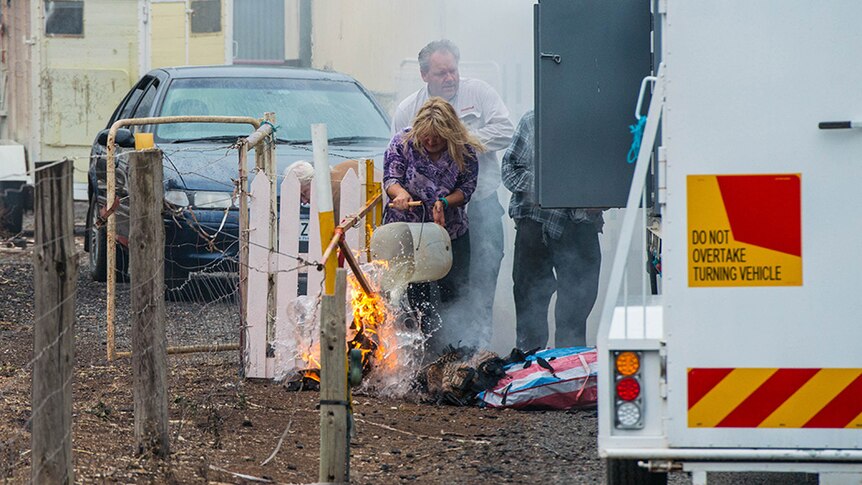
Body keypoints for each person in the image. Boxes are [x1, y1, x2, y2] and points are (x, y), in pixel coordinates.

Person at [392, 39, 514, 347]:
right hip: (425, 215)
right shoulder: (407, 110)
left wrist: (460, 139)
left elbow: (505, 131)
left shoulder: (480, 93)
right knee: (430, 282)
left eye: (453, 71)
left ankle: (477, 347)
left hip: (480, 202)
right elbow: (396, 159)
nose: (450, 78)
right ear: (424, 76)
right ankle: (438, 348)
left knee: (482, 276)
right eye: (441, 73)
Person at [384, 97, 483, 354]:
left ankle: (454, 350)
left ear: (449, 133)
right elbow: (391, 178)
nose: (430, 142)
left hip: (449, 233)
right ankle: (420, 351)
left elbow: (466, 189)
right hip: (410, 232)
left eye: (437, 138)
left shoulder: (464, 150)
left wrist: (444, 203)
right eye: (426, 137)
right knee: (416, 295)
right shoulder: (402, 143)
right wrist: (400, 194)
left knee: (454, 292)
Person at [501, 110, 604, 349]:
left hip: (581, 227)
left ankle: (570, 372)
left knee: (576, 311)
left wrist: (602, 195)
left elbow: (614, 176)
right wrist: (550, 186)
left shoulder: (598, 124)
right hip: (534, 225)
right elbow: (510, 171)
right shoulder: (532, 120)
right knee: (529, 307)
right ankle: (529, 371)